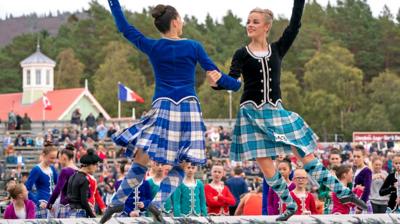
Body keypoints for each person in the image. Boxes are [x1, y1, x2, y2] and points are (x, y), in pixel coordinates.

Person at [214, 0, 367, 220]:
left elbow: (294, 26)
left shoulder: (277, 48)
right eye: (248, 21)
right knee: (267, 167)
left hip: (277, 112)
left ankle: (343, 193)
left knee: (307, 157)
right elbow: (232, 79)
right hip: (251, 114)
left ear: (266, 26)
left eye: (255, 21)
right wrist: (217, 82)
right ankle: (289, 204)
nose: (250, 25)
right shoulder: (241, 54)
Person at [101, 0, 240, 223]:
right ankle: (158, 202)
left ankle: (117, 200)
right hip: (188, 108)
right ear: (175, 22)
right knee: (183, 165)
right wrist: (235, 84)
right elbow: (218, 76)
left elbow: (125, 29)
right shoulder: (193, 46)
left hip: (163, 106)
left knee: (141, 159)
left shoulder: (154, 47)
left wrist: (113, 2)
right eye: (181, 19)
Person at [25, 143, 58, 218]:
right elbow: (26, 189)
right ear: (44, 155)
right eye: (51, 158)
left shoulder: (52, 168)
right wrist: (38, 202)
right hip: (42, 204)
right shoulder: (36, 169)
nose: (53, 160)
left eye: (55, 158)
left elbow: (59, 184)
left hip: (52, 204)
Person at [67, 149, 102, 218]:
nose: (97, 168)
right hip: (80, 213)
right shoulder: (84, 179)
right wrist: (92, 216)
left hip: (70, 211)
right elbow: (84, 201)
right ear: (90, 165)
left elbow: (69, 195)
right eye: (96, 165)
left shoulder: (72, 176)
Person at [46, 144, 78, 218]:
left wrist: (50, 204)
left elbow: (57, 190)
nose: (58, 161)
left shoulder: (65, 171)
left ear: (64, 158)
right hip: (76, 206)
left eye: (59, 158)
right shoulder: (78, 171)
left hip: (65, 205)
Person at [352, 145, 372, 213]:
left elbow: (367, 190)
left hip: (362, 203)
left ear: (363, 157)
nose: (356, 158)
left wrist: (360, 207)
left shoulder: (367, 170)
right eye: (354, 156)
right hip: (355, 201)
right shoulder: (354, 169)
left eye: (358, 156)